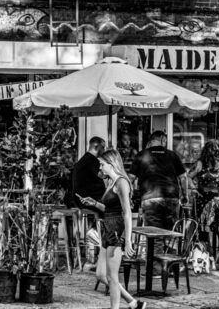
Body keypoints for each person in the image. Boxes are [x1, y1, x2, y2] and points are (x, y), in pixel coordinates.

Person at [79, 150, 146, 309]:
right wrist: (94, 203)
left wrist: (128, 240)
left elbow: (127, 213)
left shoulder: (122, 182)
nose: (100, 167)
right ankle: (133, 303)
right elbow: (109, 209)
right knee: (101, 274)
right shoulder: (111, 182)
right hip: (107, 229)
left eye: (102, 164)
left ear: (111, 163)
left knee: (112, 276)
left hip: (116, 231)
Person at [129, 130, 189, 262]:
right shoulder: (172, 155)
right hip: (171, 198)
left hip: (150, 199)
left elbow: (131, 178)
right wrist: (185, 195)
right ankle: (170, 267)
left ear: (151, 141)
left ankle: (156, 269)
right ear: (162, 139)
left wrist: (128, 195)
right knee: (171, 233)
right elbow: (183, 177)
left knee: (155, 235)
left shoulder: (141, 155)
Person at [188, 139, 219, 269]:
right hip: (204, 202)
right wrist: (193, 189)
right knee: (204, 232)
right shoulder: (200, 164)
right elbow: (188, 177)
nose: (216, 152)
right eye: (214, 150)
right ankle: (208, 259)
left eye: (218, 150)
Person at [70, 136, 107, 212]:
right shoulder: (92, 160)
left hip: (80, 200)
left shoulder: (84, 159)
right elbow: (103, 175)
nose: (104, 150)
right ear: (96, 146)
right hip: (88, 201)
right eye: (103, 147)